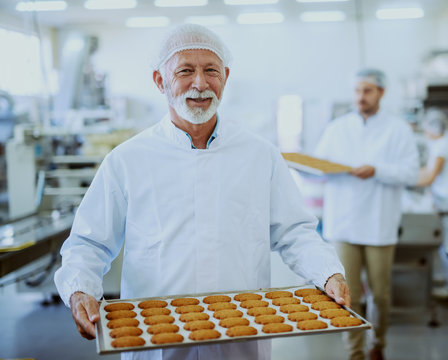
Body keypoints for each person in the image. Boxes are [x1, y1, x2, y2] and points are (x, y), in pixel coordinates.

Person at [54, 24, 350, 360]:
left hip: (239, 335)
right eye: (185, 70)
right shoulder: (127, 160)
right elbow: (89, 242)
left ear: (225, 76)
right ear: (159, 81)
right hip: (156, 337)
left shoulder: (259, 154)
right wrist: (80, 289)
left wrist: (329, 272)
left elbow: (295, 233)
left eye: (211, 70)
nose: (200, 83)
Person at [314, 69, 419, 360]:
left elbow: (411, 173)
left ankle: (379, 344)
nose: (361, 97)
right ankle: (355, 352)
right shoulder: (337, 128)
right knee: (348, 295)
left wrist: (378, 170)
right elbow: (318, 165)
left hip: (378, 224)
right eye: (358, 91)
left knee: (381, 294)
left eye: (368, 91)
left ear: (381, 93)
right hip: (343, 224)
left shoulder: (398, 129)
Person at [417, 108, 448, 298]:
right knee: (444, 246)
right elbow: (427, 170)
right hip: (445, 199)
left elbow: (429, 177)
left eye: (426, 129)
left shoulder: (442, 146)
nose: (425, 133)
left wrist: (405, 179)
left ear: (433, 128)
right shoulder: (439, 143)